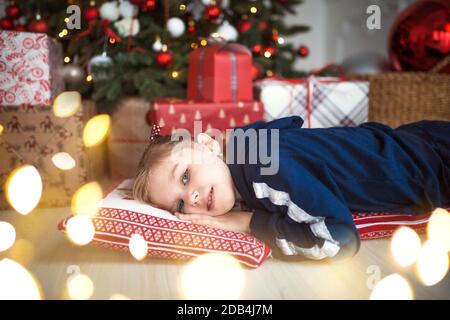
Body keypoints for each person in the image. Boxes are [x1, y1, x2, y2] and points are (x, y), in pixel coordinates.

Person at [133, 116, 450, 262]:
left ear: (208, 144)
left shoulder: (262, 175)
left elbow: (339, 239)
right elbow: (291, 122)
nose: (192, 197)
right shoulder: (243, 144)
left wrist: (249, 223)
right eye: (179, 205)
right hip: (414, 136)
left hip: (432, 169)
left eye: (186, 176)